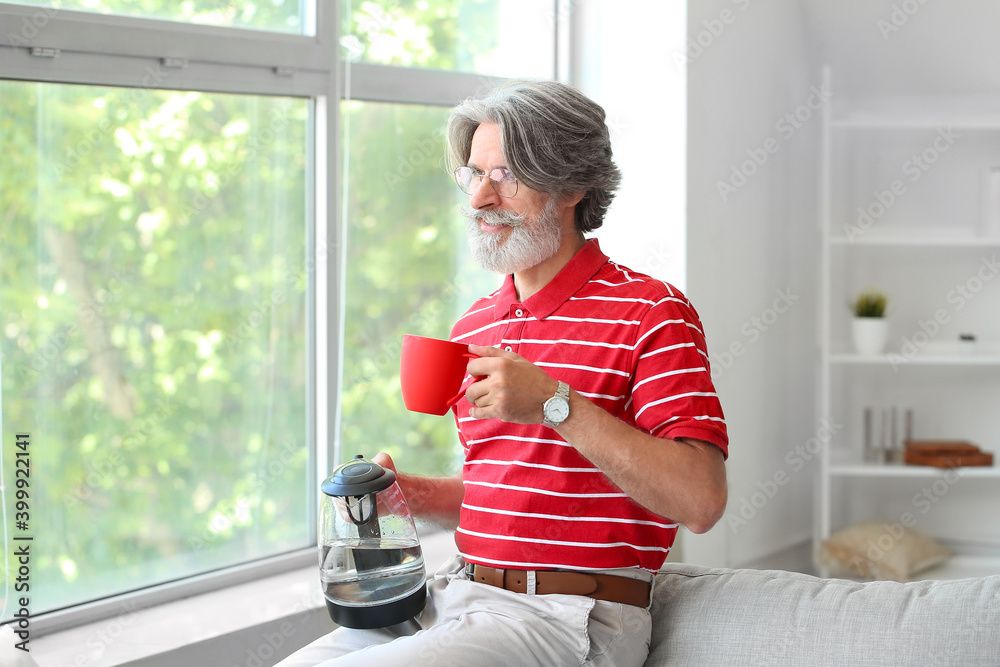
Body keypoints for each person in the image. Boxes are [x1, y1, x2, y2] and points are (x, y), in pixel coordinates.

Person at [279, 80, 728, 666]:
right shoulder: (474, 326)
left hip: (568, 616)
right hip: (455, 595)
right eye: (474, 174)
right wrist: (413, 497)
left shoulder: (652, 312)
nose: (480, 199)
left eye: (507, 176)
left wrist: (553, 403)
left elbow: (701, 499)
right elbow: (513, 491)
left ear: (574, 185)